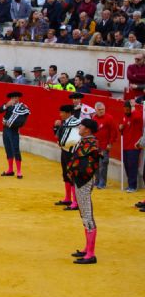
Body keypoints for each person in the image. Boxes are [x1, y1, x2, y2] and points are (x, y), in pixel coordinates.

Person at [67, 118, 101, 265]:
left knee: (87, 215)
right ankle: (87, 249)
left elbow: (86, 164)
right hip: (80, 181)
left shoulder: (91, 143)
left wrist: (75, 173)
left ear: (87, 129)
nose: (79, 127)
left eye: (81, 126)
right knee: (84, 214)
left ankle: (91, 254)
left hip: (84, 181)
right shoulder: (85, 141)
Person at [54, 105, 82, 209]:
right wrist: (56, 127)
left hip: (72, 152)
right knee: (66, 174)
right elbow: (57, 136)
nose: (60, 114)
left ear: (68, 113)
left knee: (72, 176)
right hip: (65, 151)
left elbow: (75, 139)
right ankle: (68, 198)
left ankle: (75, 202)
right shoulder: (65, 123)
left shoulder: (75, 122)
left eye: (62, 112)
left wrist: (62, 143)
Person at [0, 92, 31, 179]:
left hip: (14, 130)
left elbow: (21, 121)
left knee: (15, 149)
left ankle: (19, 171)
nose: (14, 99)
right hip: (5, 129)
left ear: (19, 98)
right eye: (13, 98)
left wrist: (8, 123)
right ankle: (10, 169)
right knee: (8, 148)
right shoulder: (8, 105)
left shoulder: (22, 107)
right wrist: (6, 105)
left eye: (16, 97)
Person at [92, 102, 117, 189]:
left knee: (103, 164)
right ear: (96, 110)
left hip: (104, 146)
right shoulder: (94, 118)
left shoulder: (109, 118)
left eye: (103, 109)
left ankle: (102, 182)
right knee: (95, 164)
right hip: (95, 146)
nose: (101, 111)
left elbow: (114, 132)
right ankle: (97, 181)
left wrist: (110, 143)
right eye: (99, 110)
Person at [119, 100, 143, 192]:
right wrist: (120, 127)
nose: (126, 111)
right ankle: (130, 185)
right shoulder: (124, 116)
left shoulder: (136, 115)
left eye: (128, 109)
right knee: (127, 166)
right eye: (125, 109)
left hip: (134, 146)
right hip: (125, 145)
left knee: (132, 166)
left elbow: (137, 117)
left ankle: (133, 186)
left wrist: (133, 108)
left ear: (131, 109)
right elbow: (121, 126)